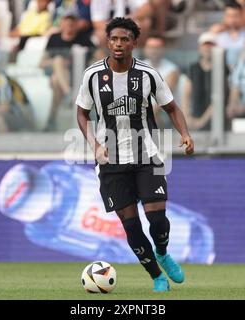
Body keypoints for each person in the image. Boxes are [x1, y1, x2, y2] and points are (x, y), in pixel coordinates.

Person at [76, 17, 194, 292]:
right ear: (107, 41)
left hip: (147, 155)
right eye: (114, 39)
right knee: (131, 226)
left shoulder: (148, 74)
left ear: (134, 43)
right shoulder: (93, 76)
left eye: (125, 39)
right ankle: (156, 276)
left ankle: (162, 251)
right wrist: (94, 144)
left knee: (157, 219)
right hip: (110, 161)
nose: (119, 44)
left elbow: (172, 107)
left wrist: (185, 134)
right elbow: (82, 112)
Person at [40, 8, 95, 131]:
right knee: (58, 62)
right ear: (61, 23)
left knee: (56, 81)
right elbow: (42, 63)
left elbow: (97, 56)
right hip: (61, 75)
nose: (69, 23)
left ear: (77, 24)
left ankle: (52, 119)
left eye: (72, 20)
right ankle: (69, 96)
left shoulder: (84, 38)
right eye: (67, 20)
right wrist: (56, 63)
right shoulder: (54, 38)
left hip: (78, 76)